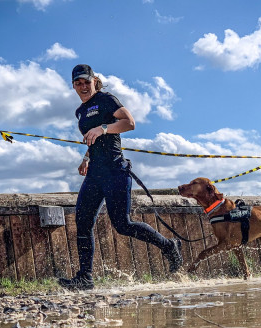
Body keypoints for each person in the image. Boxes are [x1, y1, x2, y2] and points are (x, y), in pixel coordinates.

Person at [58, 64, 183, 290]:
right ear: (73, 85)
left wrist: (103, 128)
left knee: (122, 225)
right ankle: (85, 277)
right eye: (78, 83)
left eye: (86, 81)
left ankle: (169, 246)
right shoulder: (80, 111)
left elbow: (129, 123)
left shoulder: (107, 100)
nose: (83, 86)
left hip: (116, 171)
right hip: (95, 173)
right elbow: (94, 139)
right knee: (83, 222)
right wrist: (86, 157)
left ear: (95, 81)